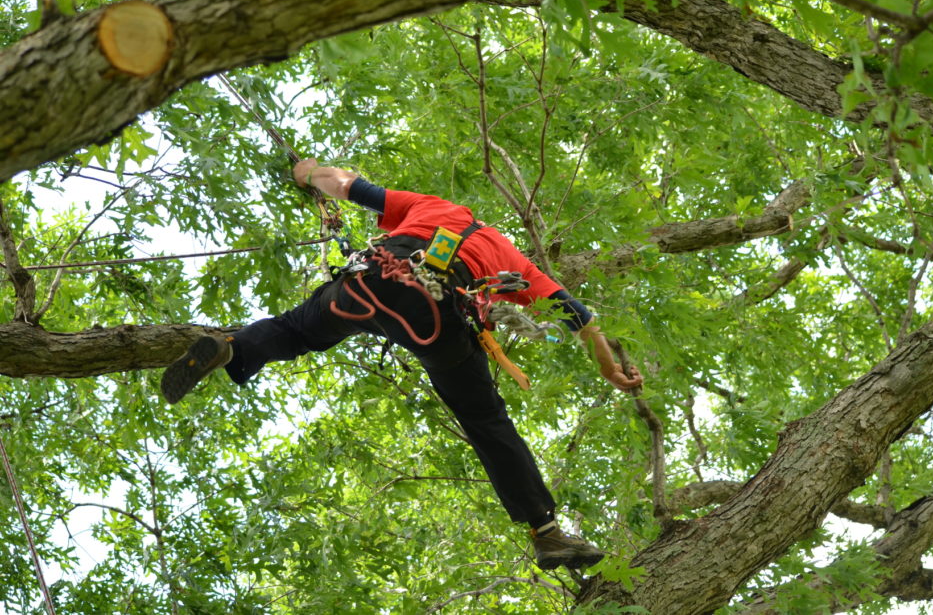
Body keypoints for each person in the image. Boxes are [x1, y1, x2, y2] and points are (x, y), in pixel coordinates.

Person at [161, 158, 643, 569]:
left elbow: (347, 186)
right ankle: (546, 531)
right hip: (439, 313)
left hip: (367, 283)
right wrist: (609, 369)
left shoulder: (433, 206)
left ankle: (235, 349)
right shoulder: (514, 259)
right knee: (485, 419)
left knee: (295, 329)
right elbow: (580, 320)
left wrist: (307, 172)